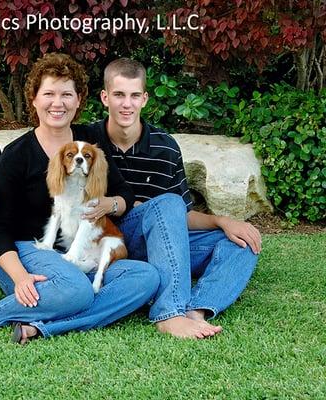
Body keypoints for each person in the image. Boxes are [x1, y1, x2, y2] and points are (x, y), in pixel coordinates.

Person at [0, 53, 160, 344]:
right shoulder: (17, 155)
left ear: (79, 100)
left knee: (146, 277)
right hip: (27, 254)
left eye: (66, 95)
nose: (58, 103)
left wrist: (111, 204)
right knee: (77, 291)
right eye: (49, 94)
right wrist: (20, 277)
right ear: (34, 99)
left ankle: (44, 326)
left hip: (82, 256)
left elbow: (125, 192)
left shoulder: (87, 143)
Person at [89, 58, 262, 339]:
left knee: (242, 244)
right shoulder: (88, 140)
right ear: (105, 97)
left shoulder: (164, 147)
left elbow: (179, 215)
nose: (126, 104)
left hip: (162, 243)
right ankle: (170, 312)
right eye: (119, 95)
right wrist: (141, 207)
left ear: (145, 99)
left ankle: (198, 309)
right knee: (167, 204)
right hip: (111, 240)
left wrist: (222, 221)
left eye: (134, 96)